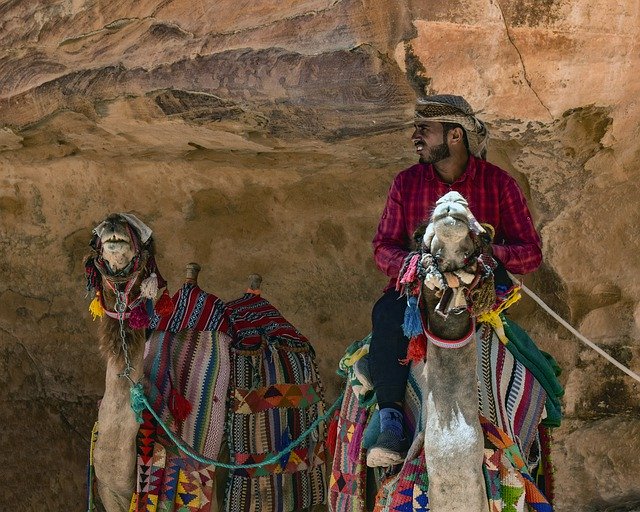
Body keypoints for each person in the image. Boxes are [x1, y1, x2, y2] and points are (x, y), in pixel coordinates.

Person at [367, 94, 542, 465]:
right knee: (385, 314)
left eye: (425, 130)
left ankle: (525, 426)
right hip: (416, 295)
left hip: (483, 298)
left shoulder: (500, 184)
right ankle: (392, 421)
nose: (416, 136)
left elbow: (531, 253)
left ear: (455, 136)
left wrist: (493, 254)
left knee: (524, 361)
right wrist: (413, 265)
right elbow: (382, 247)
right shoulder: (405, 184)